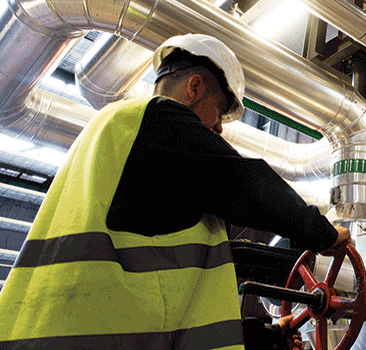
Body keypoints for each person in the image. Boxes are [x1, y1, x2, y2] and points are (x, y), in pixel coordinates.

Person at [0, 34, 348, 350]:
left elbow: (169, 302)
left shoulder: (122, 143)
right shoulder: (155, 119)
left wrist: (264, 336)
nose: (220, 126)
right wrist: (320, 232)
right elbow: (244, 182)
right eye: (222, 109)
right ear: (195, 87)